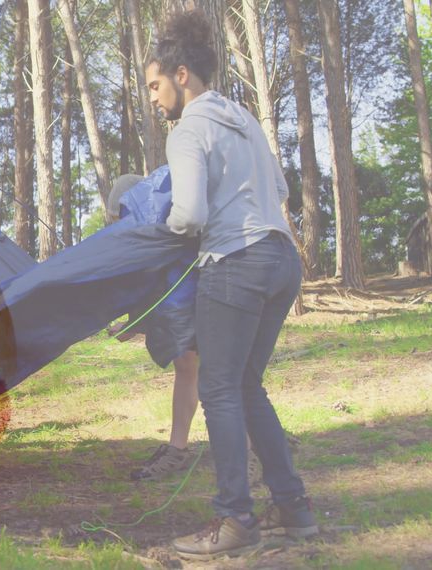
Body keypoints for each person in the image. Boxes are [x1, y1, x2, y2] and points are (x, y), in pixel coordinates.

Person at [143, 12, 318, 560]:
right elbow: (281, 188)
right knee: (245, 385)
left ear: (182, 75)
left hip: (235, 262)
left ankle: (235, 518)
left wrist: (158, 233)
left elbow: (190, 215)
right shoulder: (242, 117)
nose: (154, 99)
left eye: (155, 86)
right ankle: (293, 507)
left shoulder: (188, 129)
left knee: (218, 389)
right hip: (281, 259)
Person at [105, 174, 201, 482]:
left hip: (189, 297)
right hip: (187, 297)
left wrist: (133, 323)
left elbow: (152, 278)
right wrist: (133, 323)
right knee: (192, 368)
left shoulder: (154, 217)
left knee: (202, 370)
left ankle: (253, 445)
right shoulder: (157, 210)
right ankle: (180, 448)